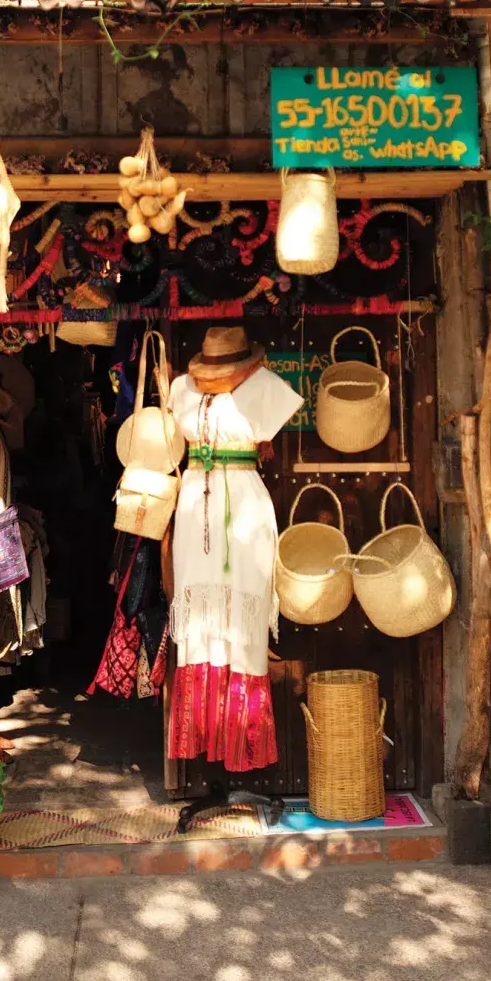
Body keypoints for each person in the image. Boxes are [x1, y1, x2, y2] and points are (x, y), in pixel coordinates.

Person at [167, 326, 302, 772]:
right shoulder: (180, 388)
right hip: (194, 511)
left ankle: (240, 747)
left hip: (244, 510)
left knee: (244, 620)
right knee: (199, 623)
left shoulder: (265, 388)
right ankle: (205, 745)